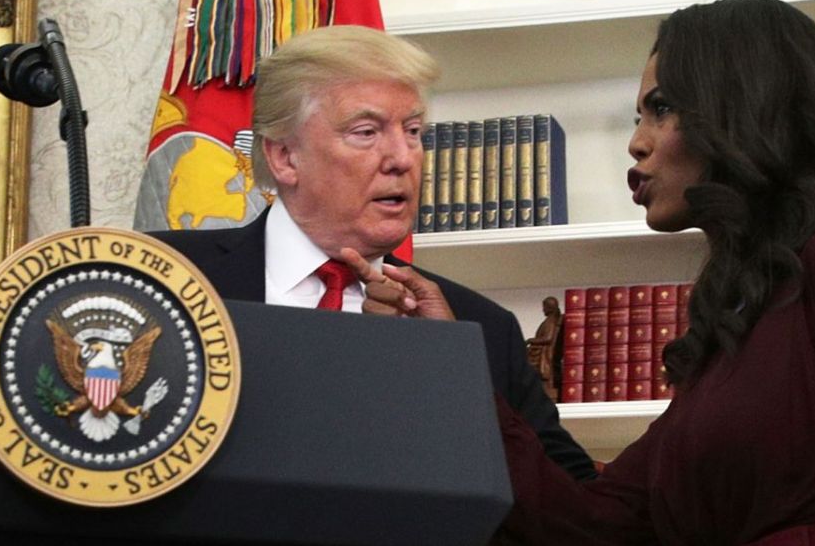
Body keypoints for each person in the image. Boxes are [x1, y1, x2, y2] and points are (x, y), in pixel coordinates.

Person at [349, 0, 815, 545]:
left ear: (741, 109)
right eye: (638, 117)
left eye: (661, 108)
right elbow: (590, 527)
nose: (637, 142)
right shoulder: (734, 332)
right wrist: (445, 362)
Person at [147, 25, 596, 482]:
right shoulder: (162, 282)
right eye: (366, 132)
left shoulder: (479, 330)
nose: (403, 158)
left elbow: (573, 506)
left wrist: (447, 373)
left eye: (414, 131)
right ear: (284, 157)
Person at [525, 296, 562, 401]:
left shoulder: (550, 321)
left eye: (544, 307)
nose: (543, 309)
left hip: (543, 355)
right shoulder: (549, 320)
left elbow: (548, 338)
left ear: (549, 307)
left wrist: (530, 340)